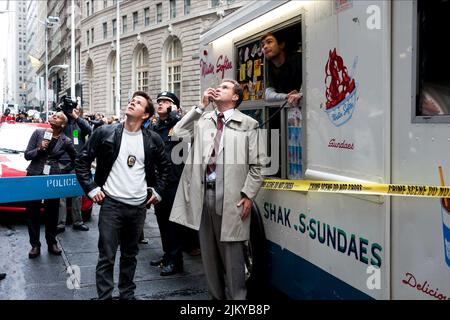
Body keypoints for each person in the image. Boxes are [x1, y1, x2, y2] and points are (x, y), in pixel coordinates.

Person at [170, 79, 265, 300]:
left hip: (232, 198)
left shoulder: (248, 124)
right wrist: (201, 106)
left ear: (235, 97)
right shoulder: (204, 120)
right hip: (203, 196)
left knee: (233, 258)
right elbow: (177, 133)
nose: (217, 88)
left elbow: (259, 165)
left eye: (224, 87)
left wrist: (249, 194)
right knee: (209, 257)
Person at [75, 91, 170, 300]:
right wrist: (92, 188)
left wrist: (159, 192)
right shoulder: (105, 132)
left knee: (130, 256)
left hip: (138, 208)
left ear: (145, 115)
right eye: (131, 101)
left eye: (138, 103)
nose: (132, 104)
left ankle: (127, 295)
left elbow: (165, 168)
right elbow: (82, 161)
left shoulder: (152, 139)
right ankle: (105, 297)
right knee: (106, 257)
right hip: (111, 206)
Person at [148, 91, 197, 276]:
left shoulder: (179, 125)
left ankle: (176, 261)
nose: (160, 103)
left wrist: (176, 116)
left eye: (166, 101)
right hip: (159, 181)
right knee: (161, 220)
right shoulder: (156, 126)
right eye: (159, 101)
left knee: (173, 223)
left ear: (175, 106)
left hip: (175, 180)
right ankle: (167, 255)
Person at [24, 112, 77, 259]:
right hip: (34, 174)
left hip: (53, 177)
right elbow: (27, 155)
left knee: (52, 211)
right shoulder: (38, 133)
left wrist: (63, 170)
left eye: (58, 116)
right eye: (54, 114)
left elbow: (76, 159)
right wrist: (40, 148)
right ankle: (35, 245)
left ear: (62, 125)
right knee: (32, 211)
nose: (54, 116)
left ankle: (51, 242)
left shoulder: (66, 140)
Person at [57, 100, 92, 233]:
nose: (73, 112)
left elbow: (90, 130)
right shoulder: (63, 122)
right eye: (71, 110)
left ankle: (77, 221)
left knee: (77, 194)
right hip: (62, 162)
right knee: (62, 195)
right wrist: (63, 113)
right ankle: (60, 223)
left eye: (76, 110)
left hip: (77, 163)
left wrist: (77, 117)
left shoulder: (80, 124)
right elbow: (55, 125)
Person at [261, 31, 302, 107]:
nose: (265, 47)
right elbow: (268, 94)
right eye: (263, 45)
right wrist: (287, 96)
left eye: (269, 42)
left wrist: (300, 94)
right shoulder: (269, 67)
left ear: (281, 45)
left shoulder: (299, 60)